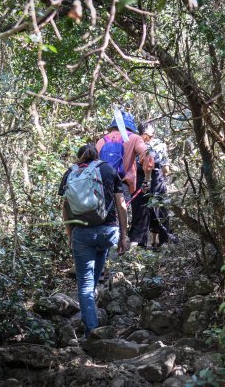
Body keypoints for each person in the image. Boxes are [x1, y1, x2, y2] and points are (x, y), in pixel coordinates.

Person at [58, 144, 128, 336]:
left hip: (82, 233)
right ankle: (93, 315)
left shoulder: (70, 172)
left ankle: (92, 330)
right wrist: (123, 235)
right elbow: (122, 206)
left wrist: (70, 234)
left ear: (78, 157)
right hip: (108, 233)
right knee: (94, 279)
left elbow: (65, 208)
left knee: (85, 284)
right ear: (97, 156)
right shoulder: (107, 169)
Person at [128, 121, 175, 248]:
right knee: (154, 211)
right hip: (150, 179)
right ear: (143, 134)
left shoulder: (133, 142)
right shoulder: (158, 144)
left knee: (148, 211)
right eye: (149, 135)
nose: (151, 138)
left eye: (152, 135)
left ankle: (143, 243)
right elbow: (165, 168)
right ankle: (160, 242)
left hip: (149, 180)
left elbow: (165, 168)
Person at [96, 111, 154, 202]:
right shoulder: (134, 138)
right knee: (122, 214)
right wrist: (147, 179)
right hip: (122, 186)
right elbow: (147, 157)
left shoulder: (102, 141)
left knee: (104, 214)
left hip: (101, 186)